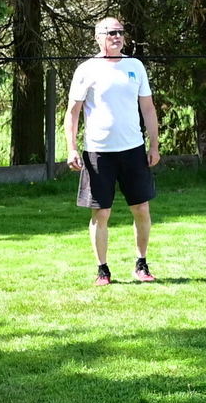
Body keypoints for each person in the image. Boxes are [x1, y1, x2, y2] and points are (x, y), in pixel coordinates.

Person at [66, 17, 161, 286]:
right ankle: (102, 269)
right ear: (98, 37)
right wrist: (72, 148)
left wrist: (154, 145)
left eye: (120, 32)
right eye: (110, 33)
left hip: (133, 150)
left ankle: (141, 264)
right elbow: (72, 113)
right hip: (98, 152)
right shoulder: (87, 69)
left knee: (141, 208)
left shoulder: (135, 66)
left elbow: (148, 108)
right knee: (101, 213)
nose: (117, 37)